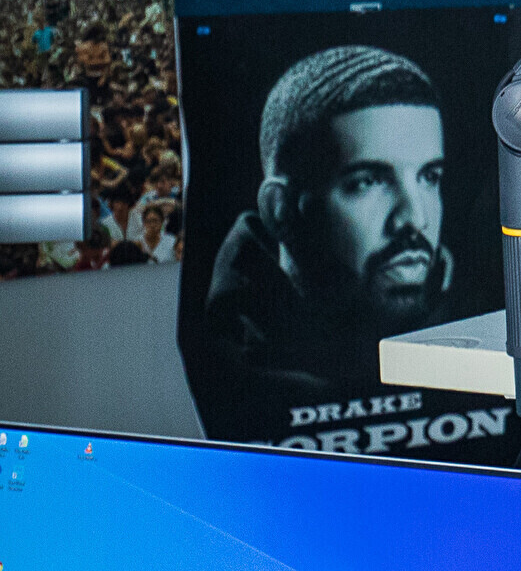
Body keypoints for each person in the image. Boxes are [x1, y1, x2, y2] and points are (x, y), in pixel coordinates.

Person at [185, 45, 453, 441]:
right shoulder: (221, 380)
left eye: (429, 177)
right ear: (280, 210)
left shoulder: (474, 333)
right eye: (367, 182)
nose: (416, 219)